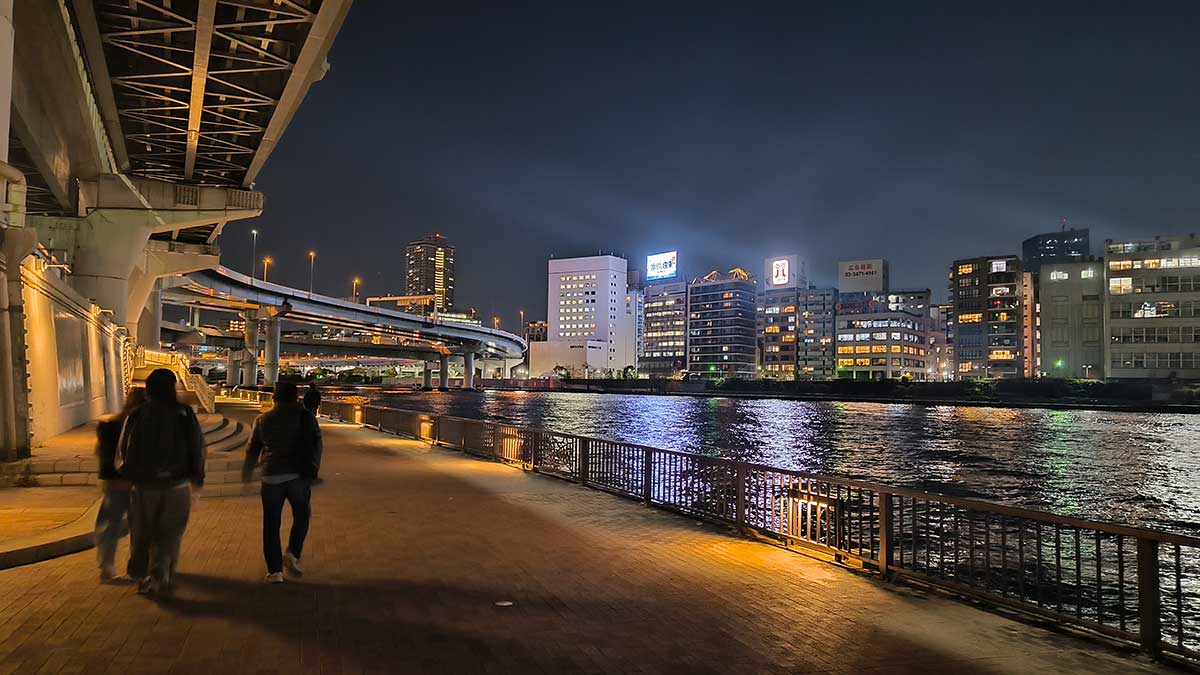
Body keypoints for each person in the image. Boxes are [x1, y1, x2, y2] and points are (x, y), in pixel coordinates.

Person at [116, 368, 205, 597]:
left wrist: (128, 475)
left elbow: (124, 449)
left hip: (144, 486)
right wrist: (197, 477)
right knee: (170, 533)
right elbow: (197, 447)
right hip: (177, 484)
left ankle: (142, 576)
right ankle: (161, 570)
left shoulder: (137, 414)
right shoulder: (184, 413)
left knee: (142, 533)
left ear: (148, 388)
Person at [243, 382, 322, 583]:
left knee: (271, 523)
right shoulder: (306, 418)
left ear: (274, 398)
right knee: (302, 515)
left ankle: (275, 571)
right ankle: (293, 553)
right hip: (297, 476)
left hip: (271, 477)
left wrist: (247, 472)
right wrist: (313, 470)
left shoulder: (262, 419)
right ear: (297, 397)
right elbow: (316, 445)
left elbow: (253, 448)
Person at [94, 387, 146, 582]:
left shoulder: (110, 426)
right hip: (133, 484)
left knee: (109, 526)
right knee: (139, 528)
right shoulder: (139, 427)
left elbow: (101, 454)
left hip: (115, 484)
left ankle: (107, 567)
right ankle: (138, 568)